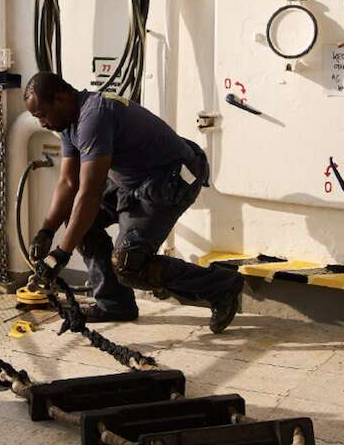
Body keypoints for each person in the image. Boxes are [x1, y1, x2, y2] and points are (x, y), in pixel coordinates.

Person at [24, 72, 244, 333]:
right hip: (131, 181)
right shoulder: (68, 123)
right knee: (78, 219)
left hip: (170, 179)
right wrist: (46, 231)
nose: (42, 123)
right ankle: (114, 303)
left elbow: (90, 194)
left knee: (129, 265)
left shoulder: (94, 117)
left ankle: (221, 285)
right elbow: (69, 183)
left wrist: (61, 254)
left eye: (42, 114)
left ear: (60, 99)